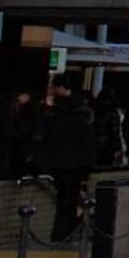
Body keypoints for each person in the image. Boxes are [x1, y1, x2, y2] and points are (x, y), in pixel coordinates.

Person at [37, 79, 95, 246]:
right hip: (73, 166)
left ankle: (62, 234)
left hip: (62, 165)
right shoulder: (78, 114)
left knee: (66, 202)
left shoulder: (59, 114)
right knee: (69, 202)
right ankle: (64, 234)